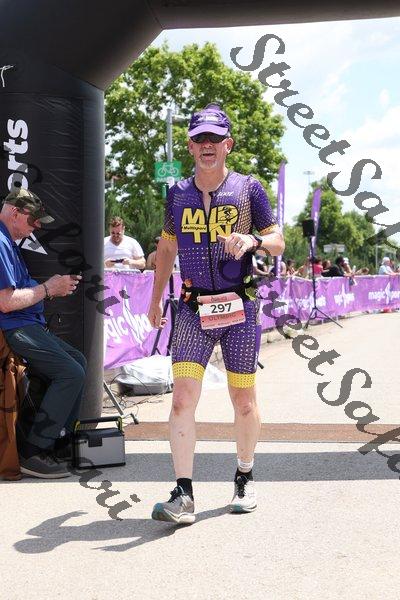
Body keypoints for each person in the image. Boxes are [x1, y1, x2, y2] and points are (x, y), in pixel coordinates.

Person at [147, 103, 284, 524]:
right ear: (190, 146)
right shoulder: (177, 194)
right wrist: (155, 299)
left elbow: (278, 240)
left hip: (239, 306)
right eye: (199, 138)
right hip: (192, 309)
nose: (207, 145)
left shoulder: (249, 189)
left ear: (228, 144)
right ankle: (184, 494)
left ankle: (244, 475)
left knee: (243, 401)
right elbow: (167, 247)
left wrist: (252, 241)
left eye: (214, 138)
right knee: (182, 400)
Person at [0, 188, 87, 479]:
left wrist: (50, 288)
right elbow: (6, 302)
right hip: (13, 326)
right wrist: (49, 288)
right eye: (33, 220)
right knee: (71, 372)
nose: (36, 226)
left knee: (78, 362)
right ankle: (34, 452)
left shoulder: (9, 242)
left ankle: (58, 443)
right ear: (15, 212)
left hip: (26, 324)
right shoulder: (1, 242)